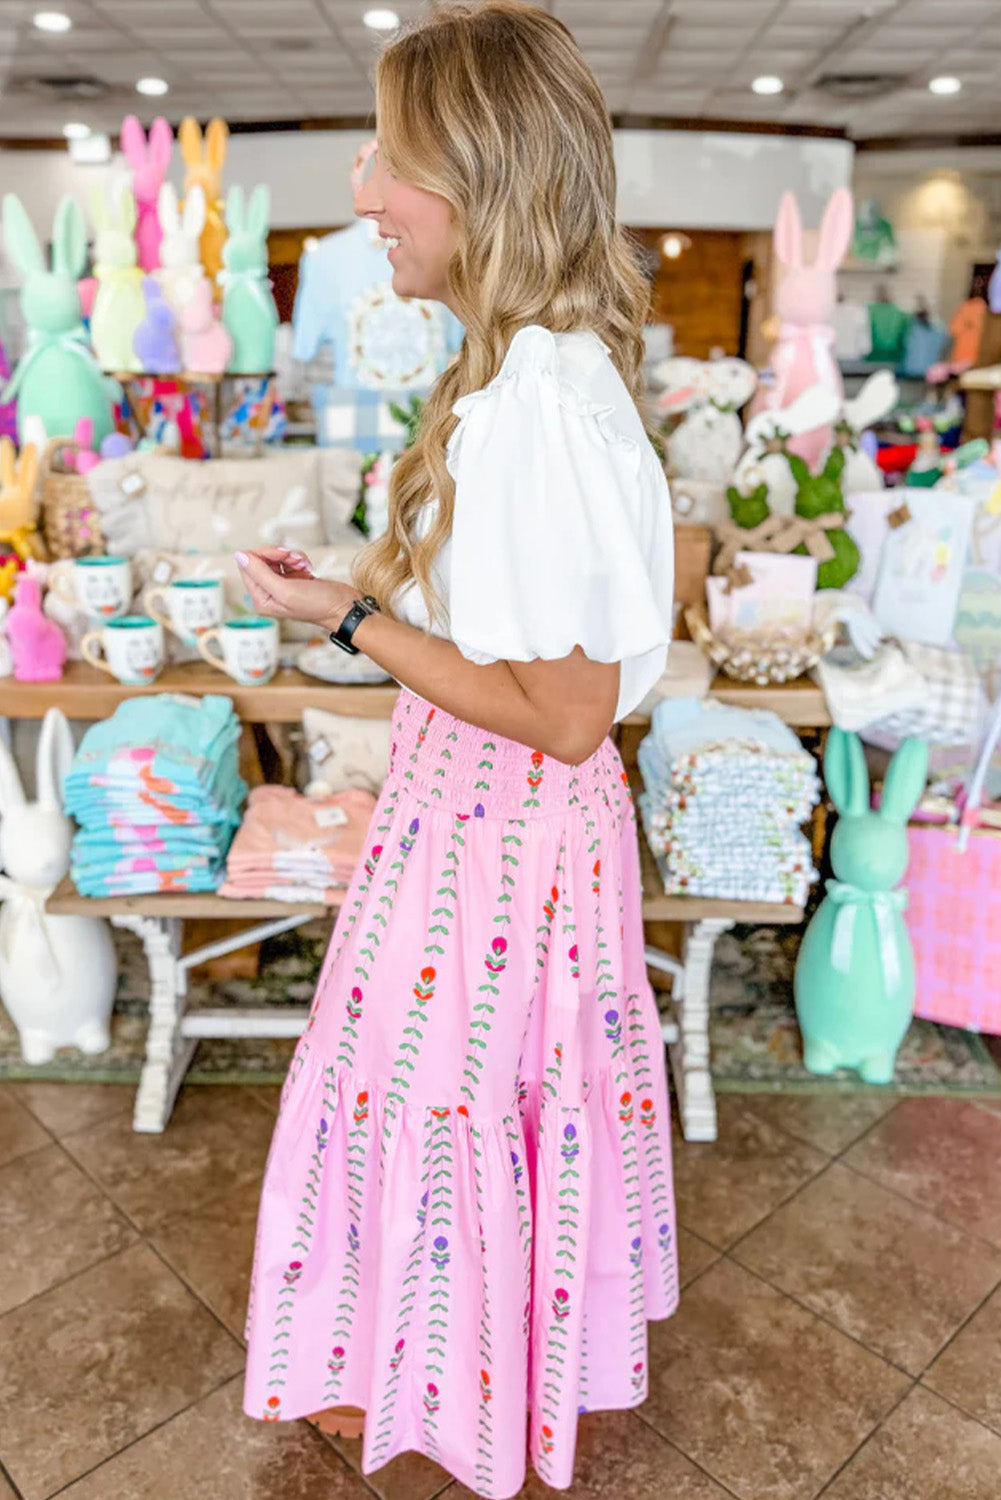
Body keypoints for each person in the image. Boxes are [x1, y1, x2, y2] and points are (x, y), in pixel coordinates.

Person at [237, 4, 678, 1495]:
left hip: (498, 824)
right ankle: (466, 1356)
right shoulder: (536, 374)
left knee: (437, 1092)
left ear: (483, 176)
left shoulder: (535, 400)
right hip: (490, 817)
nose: (362, 191)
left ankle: (441, 1370)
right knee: (461, 1089)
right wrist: (351, 605)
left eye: (389, 157)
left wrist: (358, 624)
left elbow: (560, 711)